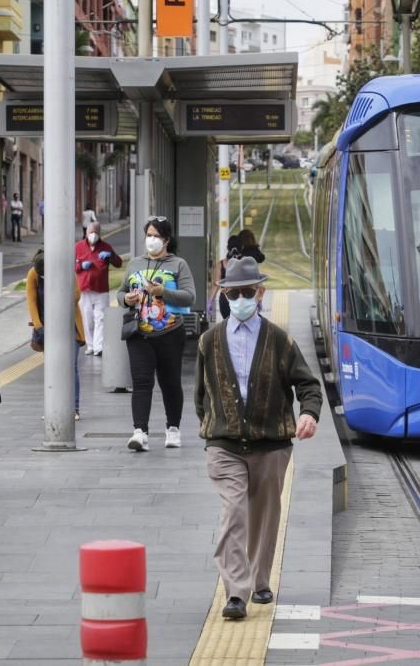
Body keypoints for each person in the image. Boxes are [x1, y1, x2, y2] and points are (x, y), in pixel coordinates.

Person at [195, 256, 322, 620]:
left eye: (246, 292)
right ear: (224, 294)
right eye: (232, 293)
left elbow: (308, 386)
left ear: (261, 292)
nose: (239, 299)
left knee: (265, 515)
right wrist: (214, 429)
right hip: (225, 446)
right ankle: (237, 593)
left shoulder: (281, 341)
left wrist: (309, 414)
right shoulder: (209, 341)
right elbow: (201, 398)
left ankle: (260, 579)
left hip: (271, 445)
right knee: (234, 511)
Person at [116, 216, 196, 451]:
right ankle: (140, 431)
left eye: (155, 236)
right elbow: (120, 293)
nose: (151, 240)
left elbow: (189, 296)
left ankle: (173, 429)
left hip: (170, 333)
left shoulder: (178, 265)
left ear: (166, 240)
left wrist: (162, 292)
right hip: (139, 333)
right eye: (148, 235)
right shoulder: (134, 264)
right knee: (141, 383)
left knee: (170, 383)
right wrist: (126, 299)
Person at [26, 249, 86, 420]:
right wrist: (38, 327)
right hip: (47, 327)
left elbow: (76, 296)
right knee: (53, 367)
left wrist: (58, 283)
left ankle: (74, 408)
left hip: (69, 326)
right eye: (42, 275)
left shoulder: (66, 271)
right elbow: (31, 301)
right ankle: (53, 407)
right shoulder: (34, 274)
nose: (44, 277)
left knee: (71, 366)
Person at [75, 221, 122, 356]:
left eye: (96, 232)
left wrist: (111, 256)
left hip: (101, 290)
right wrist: (80, 266)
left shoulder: (106, 247)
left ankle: (99, 346)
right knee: (87, 319)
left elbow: (118, 263)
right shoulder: (78, 247)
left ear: (100, 233)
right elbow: (71, 265)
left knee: (100, 318)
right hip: (84, 290)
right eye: (91, 232)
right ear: (86, 233)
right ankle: (90, 345)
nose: (93, 235)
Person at [208, 236, 243, 321]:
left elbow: (216, 284)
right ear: (242, 248)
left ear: (228, 248)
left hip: (225, 299)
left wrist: (209, 302)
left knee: (228, 324)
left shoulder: (221, 264)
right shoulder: (245, 263)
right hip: (242, 298)